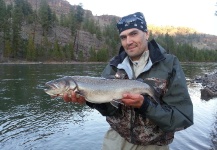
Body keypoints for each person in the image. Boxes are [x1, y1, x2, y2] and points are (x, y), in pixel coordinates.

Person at [63, 12, 193, 150]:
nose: (128, 41)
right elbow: (110, 110)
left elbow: (182, 118)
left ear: (146, 34)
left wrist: (145, 106)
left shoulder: (169, 64)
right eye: (123, 37)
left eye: (133, 34)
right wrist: (89, 99)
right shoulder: (114, 65)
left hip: (154, 146)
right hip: (115, 142)